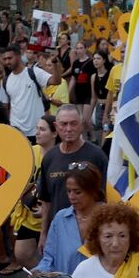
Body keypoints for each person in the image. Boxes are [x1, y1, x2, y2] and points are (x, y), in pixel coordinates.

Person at [38, 105, 109, 254]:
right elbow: (46, 201)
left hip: (89, 235)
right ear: (56, 127)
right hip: (59, 233)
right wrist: (43, 234)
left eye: (73, 123)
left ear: (82, 125)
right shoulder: (49, 158)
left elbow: (103, 200)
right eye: (64, 124)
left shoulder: (97, 156)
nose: (69, 129)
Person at [35, 161, 104, 276]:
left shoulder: (109, 218)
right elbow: (49, 258)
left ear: (93, 190)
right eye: (68, 191)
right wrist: (39, 271)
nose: (71, 197)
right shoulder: (60, 218)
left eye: (77, 192)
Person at [11, 116, 57, 271]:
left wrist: (45, 211)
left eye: (42, 129)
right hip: (29, 217)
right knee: (21, 254)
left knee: (52, 257)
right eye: (37, 128)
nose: (37, 132)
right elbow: (17, 181)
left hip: (52, 219)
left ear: (54, 133)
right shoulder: (30, 152)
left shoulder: (60, 156)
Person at [0, 43, 61, 140]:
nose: (7, 62)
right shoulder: (5, 81)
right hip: (16, 131)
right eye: (5, 59)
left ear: (18, 56)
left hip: (37, 130)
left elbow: (56, 81)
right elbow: (5, 107)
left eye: (10, 58)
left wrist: (55, 62)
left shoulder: (34, 72)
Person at [68, 42, 95, 134]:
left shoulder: (91, 62)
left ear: (85, 49)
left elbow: (94, 78)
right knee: (80, 119)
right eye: (77, 48)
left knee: (85, 119)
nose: (79, 51)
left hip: (88, 93)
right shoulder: (75, 63)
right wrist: (69, 91)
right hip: (78, 93)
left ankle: (92, 136)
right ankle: (83, 138)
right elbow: (73, 78)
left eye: (81, 48)